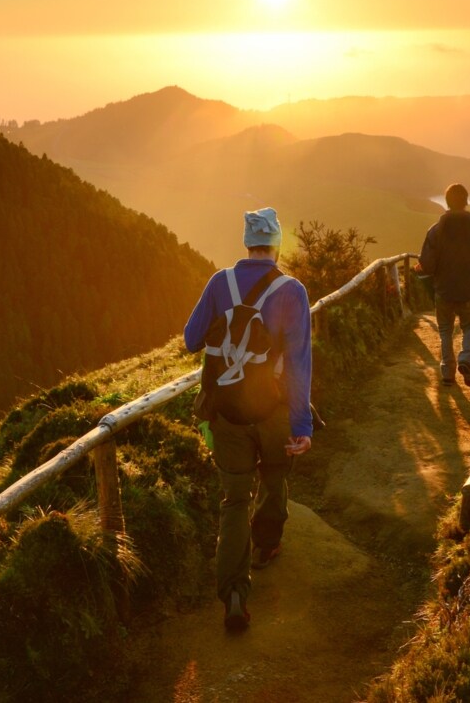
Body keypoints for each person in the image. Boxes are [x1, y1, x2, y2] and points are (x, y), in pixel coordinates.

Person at [183, 206, 313, 632]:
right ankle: (267, 544)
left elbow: (190, 340)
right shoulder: (291, 290)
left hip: (228, 415)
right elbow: (298, 364)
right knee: (275, 478)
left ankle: (235, 593)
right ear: (276, 244)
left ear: (246, 242)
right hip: (272, 411)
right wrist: (301, 426)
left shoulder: (220, 282)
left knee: (234, 501)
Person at [416, 183, 470, 388]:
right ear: (465, 201)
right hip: (469, 289)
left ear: (447, 202)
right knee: (469, 327)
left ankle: (447, 374)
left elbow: (427, 263)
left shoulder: (436, 230)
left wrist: (421, 269)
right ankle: (465, 359)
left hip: (443, 290)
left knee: (445, 330)